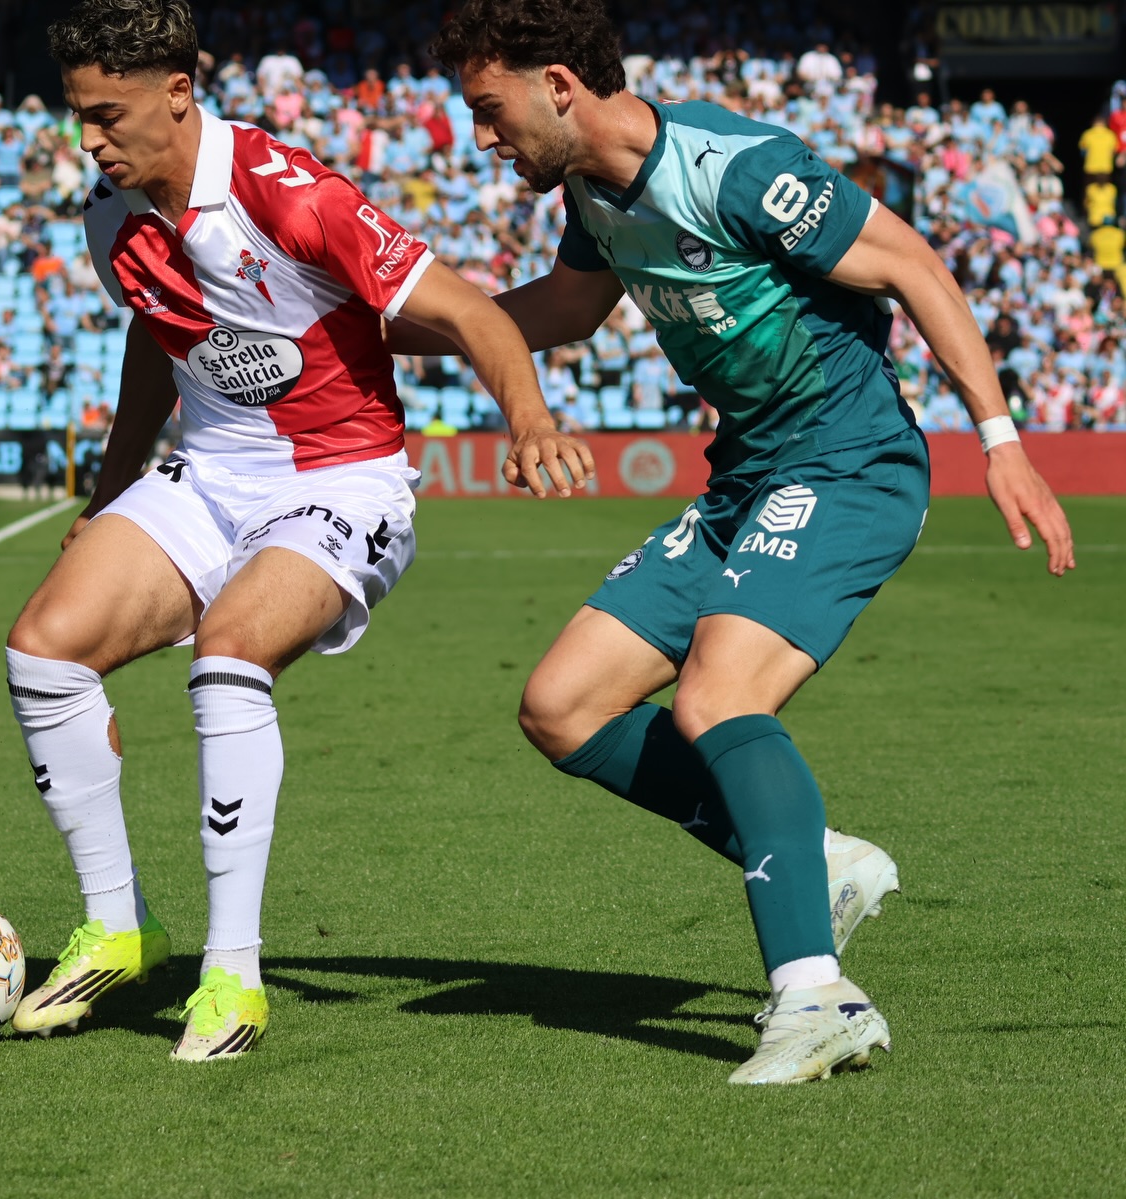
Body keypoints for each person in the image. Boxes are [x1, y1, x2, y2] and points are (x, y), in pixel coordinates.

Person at [410, 0, 1075, 1085]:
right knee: (562, 702)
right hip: (746, 479)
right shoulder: (587, 188)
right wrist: (397, 326)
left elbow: (913, 265)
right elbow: (572, 310)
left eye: (490, 109)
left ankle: (817, 996)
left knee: (716, 699)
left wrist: (1000, 442)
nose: (484, 137)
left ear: (559, 86)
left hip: (847, 464)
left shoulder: (736, 167)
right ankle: (811, 859)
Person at [5, 0, 589, 1062]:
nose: (88, 139)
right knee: (43, 649)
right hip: (208, 471)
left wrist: (530, 416)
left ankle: (232, 976)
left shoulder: (288, 193)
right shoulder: (113, 212)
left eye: (105, 114)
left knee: (229, 655)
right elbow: (162, 336)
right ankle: (118, 927)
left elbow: (473, 313)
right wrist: (110, 490)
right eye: (78, 116)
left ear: (177, 94)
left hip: (340, 481)